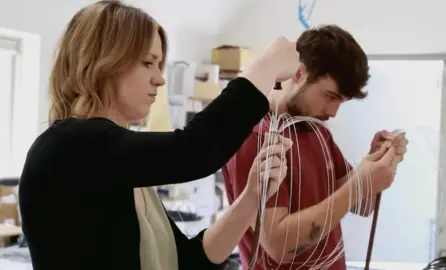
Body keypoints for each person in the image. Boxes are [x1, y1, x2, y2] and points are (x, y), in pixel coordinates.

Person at [17, 1, 299, 270]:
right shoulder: (70, 145)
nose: (160, 78)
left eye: (159, 64)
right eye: (147, 63)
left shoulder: (117, 169)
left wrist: (251, 197)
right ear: (104, 61)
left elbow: (188, 261)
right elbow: (194, 150)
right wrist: (267, 65)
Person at [222, 25, 409, 270]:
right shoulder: (255, 137)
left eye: (341, 101)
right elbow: (280, 246)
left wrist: (377, 162)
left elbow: (362, 206)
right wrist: (359, 182)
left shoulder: (317, 132)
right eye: (330, 96)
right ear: (299, 73)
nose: (332, 112)